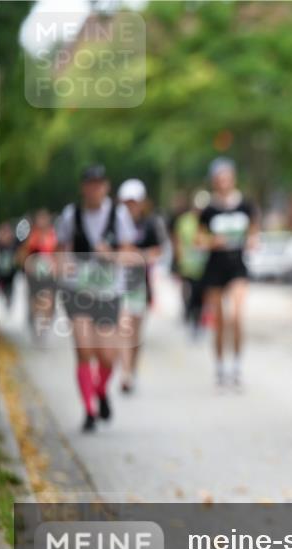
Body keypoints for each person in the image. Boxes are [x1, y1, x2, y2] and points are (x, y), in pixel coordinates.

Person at [55, 165, 137, 433]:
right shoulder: (71, 216)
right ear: (83, 187)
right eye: (90, 184)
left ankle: (100, 391)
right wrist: (61, 266)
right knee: (83, 350)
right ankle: (88, 411)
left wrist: (109, 256)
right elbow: (60, 249)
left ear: (106, 186)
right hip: (77, 291)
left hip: (108, 292)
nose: (95, 189)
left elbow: (128, 254)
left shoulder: (119, 214)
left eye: (99, 184)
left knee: (107, 354)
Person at [198, 158, 257, 388]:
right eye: (219, 178)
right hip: (214, 267)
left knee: (236, 316)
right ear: (214, 181)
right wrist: (214, 241)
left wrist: (252, 240)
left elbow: (253, 231)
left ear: (233, 178)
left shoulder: (245, 205)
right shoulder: (208, 209)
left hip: (237, 266)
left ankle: (237, 366)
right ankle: (220, 367)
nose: (223, 181)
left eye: (227, 177)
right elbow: (198, 239)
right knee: (220, 321)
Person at [116, 178, 167, 393]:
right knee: (124, 326)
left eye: (134, 202)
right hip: (119, 281)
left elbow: (159, 250)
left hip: (141, 283)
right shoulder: (115, 223)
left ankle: (132, 368)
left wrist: (141, 256)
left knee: (136, 331)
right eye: (127, 202)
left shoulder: (151, 223)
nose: (131, 206)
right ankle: (125, 373)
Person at [172, 190, 210, 339]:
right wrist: (179, 258)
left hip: (204, 265)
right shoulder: (185, 220)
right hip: (188, 264)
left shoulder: (208, 220)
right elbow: (178, 240)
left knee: (200, 295)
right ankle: (188, 315)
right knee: (188, 292)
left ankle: (197, 320)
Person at [18, 208, 58, 337]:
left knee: (49, 300)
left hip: (49, 275)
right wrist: (27, 264)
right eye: (40, 218)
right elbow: (22, 254)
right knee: (34, 300)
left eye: (44, 218)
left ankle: (44, 327)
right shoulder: (31, 236)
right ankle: (34, 321)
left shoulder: (54, 235)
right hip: (34, 276)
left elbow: (59, 253)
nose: (42, 221)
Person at [0, 221, 18, 310]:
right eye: (3, 232)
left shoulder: (17, 248)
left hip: (13, 286)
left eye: (8, 231)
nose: (6, 235)